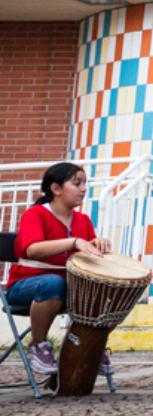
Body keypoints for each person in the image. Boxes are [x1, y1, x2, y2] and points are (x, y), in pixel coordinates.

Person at [5, 162, 113, 381]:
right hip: (26, 285)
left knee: (106, 288)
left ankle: (92, 343)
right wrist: (74, 242)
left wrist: (96, 244)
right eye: (76, 184)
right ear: (56, 189)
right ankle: (38, 345)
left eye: (85, 183)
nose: (84, 189)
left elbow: (88, 256)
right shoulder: (35, 215)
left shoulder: (83, 220)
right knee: (54, 282)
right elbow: (32, 250)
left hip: (66, 287)